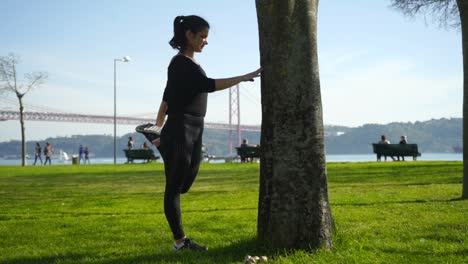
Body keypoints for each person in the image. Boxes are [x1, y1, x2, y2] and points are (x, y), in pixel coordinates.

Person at [154, 15, 261, 251]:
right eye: (202, 36)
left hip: (195, 128)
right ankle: (180, 242)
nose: (205, 41)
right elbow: (206, 86)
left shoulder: (191, 64)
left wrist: (157, 122)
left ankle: (161, 143)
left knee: (187, 181)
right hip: (180, 127)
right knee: (174, 187)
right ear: (189, 35)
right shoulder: (179, 63)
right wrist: (243, 78)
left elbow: (168, 94)